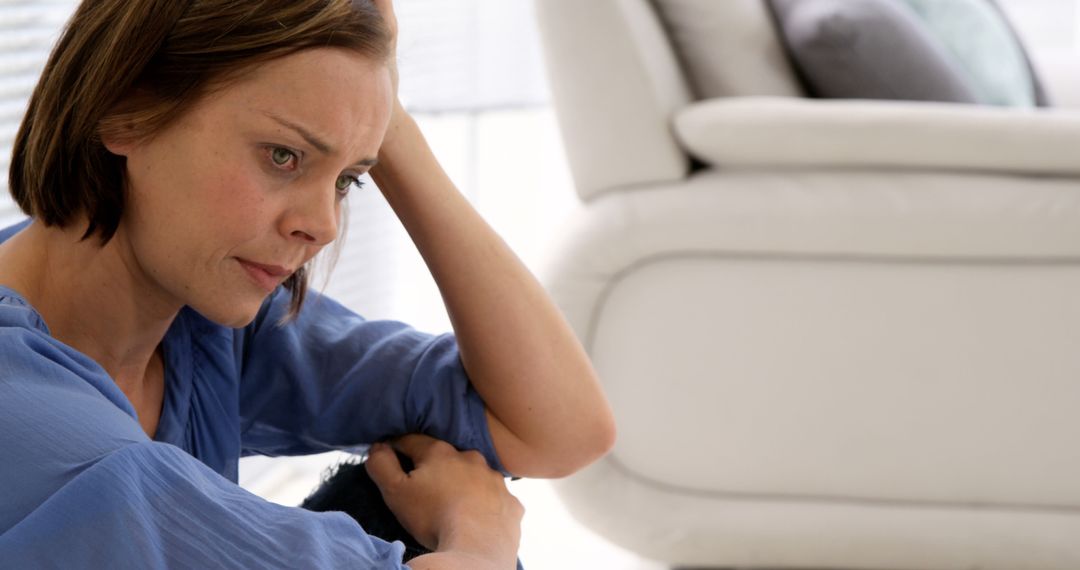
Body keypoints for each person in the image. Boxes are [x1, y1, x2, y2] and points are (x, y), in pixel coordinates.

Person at [0, 0, 616, 568]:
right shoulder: (29, 417)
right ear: (126, 108)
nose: (321, 226)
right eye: (284, 156)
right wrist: (481, 539)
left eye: (349, 179)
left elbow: (557, 428)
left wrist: (381, 112)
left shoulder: (199, 322)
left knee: (400, 501)